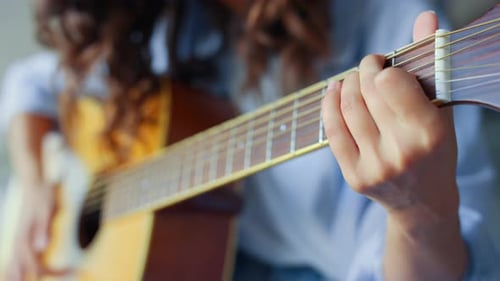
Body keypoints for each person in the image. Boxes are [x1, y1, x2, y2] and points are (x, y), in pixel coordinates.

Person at [0, 1, 499, 281]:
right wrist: (36, 182)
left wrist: (419, 212)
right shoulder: (147, 19)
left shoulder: (394, 19)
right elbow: (32, 84)